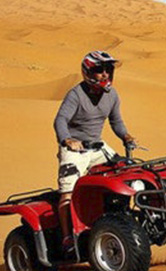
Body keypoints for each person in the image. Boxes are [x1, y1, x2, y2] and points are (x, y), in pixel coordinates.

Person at [53, 50, 135, 253]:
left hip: (98, 147)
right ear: (88, 72)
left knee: (125, 173)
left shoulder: (112, 95)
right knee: (67, 193)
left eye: (108, 69)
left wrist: (126, 136)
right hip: (75, 151)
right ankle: (67, 238)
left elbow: (116, 121)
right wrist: (67, 140)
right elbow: (60, 120)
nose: (105, 74)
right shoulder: (76, 95)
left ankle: (121, 220)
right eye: (100, 70)